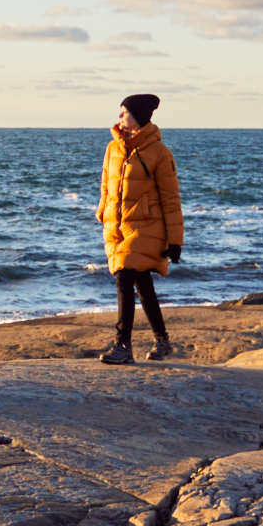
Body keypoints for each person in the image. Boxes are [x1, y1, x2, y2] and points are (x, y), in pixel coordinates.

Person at [95, 92, 183, 365]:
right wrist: (102, 212)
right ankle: (162, 340)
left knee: (124, 273)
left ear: (139, 118)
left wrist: (175, 241)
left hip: (147, 226)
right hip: (119, 226)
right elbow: (106, 186)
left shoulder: (160, 153)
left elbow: (171, 199)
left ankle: (123, 345)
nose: (120, 117)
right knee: (141, 281)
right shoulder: (113, 148)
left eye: (125, 112)